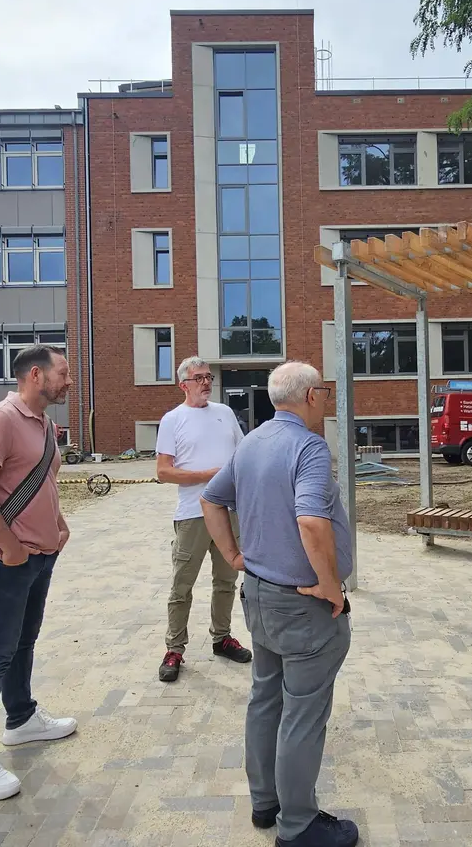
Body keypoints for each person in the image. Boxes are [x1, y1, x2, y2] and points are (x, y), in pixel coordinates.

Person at [200, 361, 358, 847]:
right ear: (310, 396)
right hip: (301, 605)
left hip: (262, 595)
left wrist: (232, 555)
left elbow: (211, 497)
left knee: (266, 698)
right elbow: (311, 522)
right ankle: (299, 826)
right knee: (303, 713)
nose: (328, 399)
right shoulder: (307, 447)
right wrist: (332, 587)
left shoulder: (252, 441)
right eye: (325, 392)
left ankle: (265, 802)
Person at [0, 344, 78, 801]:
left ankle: (22, 718)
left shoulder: (43, 423)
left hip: (40, 555)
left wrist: (59, 524)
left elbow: (42, 482)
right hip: (12, 560)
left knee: (23, 641)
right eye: (62, 373)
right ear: (35, 375)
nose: (68, 380)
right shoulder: (0, 420)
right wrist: (9, 549)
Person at [153, 356, 253, 682]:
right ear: (183, 384)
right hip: (192, 515)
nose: (206, 382)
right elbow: (163, 471)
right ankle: (174, 649)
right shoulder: (172, 419)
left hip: (229, 513)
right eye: (198, 378)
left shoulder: (224, 414)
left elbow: (243, 455)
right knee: (182, 586)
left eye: (208, 376)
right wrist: (210, 475)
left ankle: (221, 637)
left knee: (226, 580)